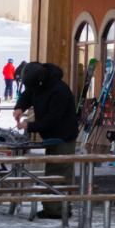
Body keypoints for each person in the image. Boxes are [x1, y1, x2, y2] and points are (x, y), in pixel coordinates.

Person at [13, 62, 78, 218]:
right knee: (52, 171)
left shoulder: (59, 91)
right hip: (51, 136)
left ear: (40, 81)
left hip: (63, 136)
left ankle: (57, 210)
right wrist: (19, 107)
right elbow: (27, 94)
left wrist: (29, 125)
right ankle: (54, 207)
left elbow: (53, 119)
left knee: (59, 173)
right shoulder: (38, 83)